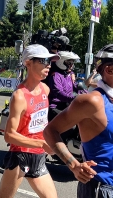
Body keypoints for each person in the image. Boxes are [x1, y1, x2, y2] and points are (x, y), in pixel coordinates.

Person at [43, 44, 113, 198]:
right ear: (109, 70)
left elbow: (74, 87)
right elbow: (50, 131)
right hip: (101, 188)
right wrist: (73, 165)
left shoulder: (70, 76)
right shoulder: (92, 101)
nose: (70, 66)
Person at [0, 44, 60, 198]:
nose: (48, 65)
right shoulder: (19, 95)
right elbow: (9, 135)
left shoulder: (45, 89)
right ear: (28, 63)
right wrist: (41, 143)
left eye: (49, 61)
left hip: (39, 156)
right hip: (20, 156)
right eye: (43, 60)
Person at [48, 51, 87, 122]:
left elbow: (76, 87)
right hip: (56, 107)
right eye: (70, 63)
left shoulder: (69, 75)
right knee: (71, 126)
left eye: (72, 63)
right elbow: (59, 93)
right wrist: (74, 98)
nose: (72, 65)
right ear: (61, 62)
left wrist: (87, 93)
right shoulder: (56, 76)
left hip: (67, 105)